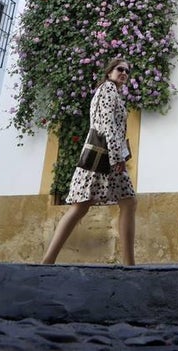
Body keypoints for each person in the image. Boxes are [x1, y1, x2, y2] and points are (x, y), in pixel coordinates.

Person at [42, 57, 137, 265]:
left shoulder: (109, 92)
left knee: (112, 203)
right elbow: (106, 125)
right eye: (120, 69)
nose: (123, 73)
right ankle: (130, 265)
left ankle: (49, 259)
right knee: (119, 203)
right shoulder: (108, 90)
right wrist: (116, 156)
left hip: (103, 155)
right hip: (104, 156)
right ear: (109, 72)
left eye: (127, 71)